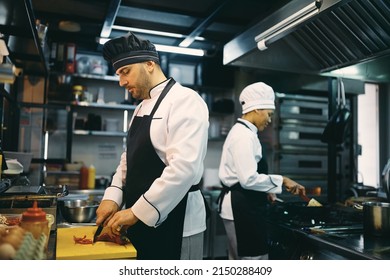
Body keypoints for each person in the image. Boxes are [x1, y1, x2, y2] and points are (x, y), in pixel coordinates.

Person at [96, 32, 209, 260]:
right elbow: (129, 159)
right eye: (118, 74)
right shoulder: (139, 108)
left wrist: (137, 212)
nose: (121, 82)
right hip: (141, 221)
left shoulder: (186, 100)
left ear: (150, 64)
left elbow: (184, 169)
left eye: (125, 72)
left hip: (178, 221)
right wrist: (113, 196)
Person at [217, 82, 306, 260]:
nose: (270, 120)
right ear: (257, 109)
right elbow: (248, 179)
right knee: (251, 260)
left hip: (244, 204)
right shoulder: (243, 136)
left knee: (244, 259)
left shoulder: (245, 133)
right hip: (240, 206)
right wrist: (283, 180)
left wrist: (266, 190)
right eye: (269, 114)